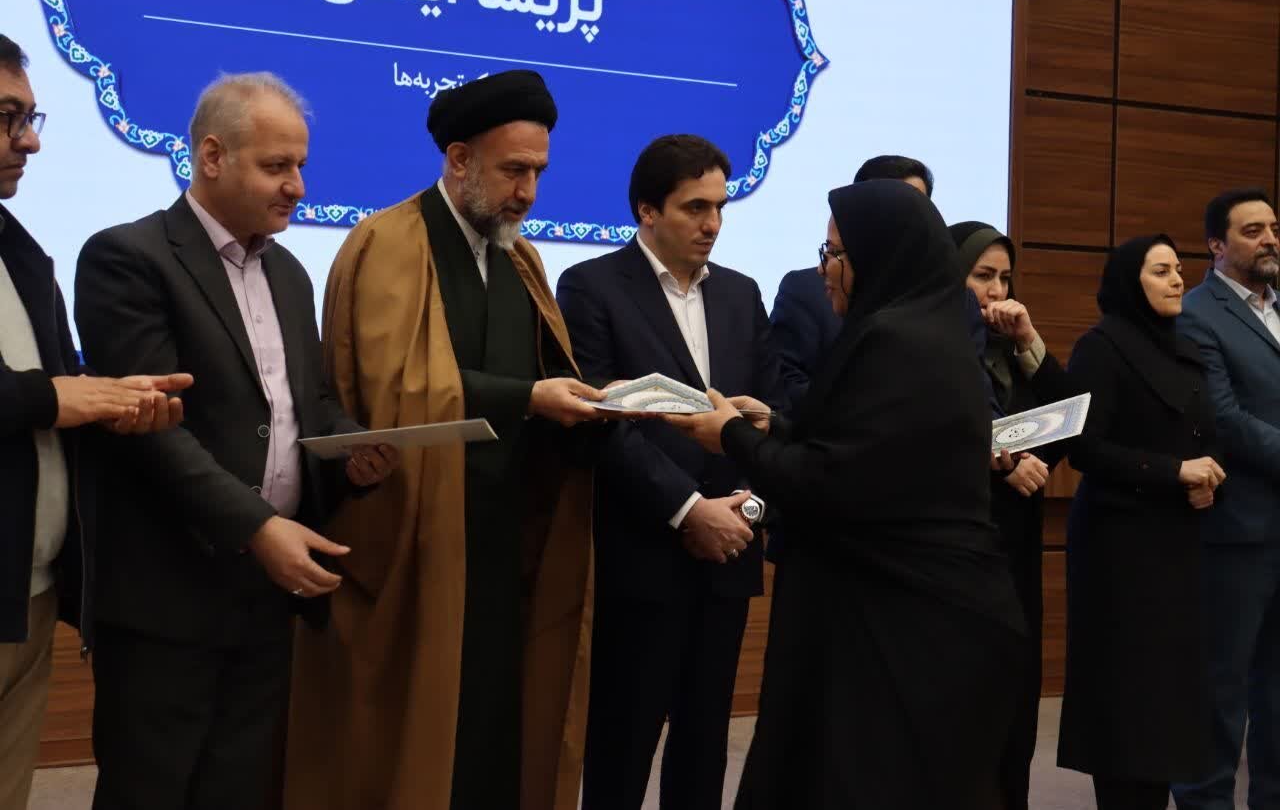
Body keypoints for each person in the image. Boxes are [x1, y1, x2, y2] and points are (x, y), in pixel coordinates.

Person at [73, 73, 397, 810]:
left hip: (267, 597)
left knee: (240, 789)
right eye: (277, 166)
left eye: (301, 165)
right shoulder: (128, 258)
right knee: (151, 791)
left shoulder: (289, 272)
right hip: (166, 598)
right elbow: (151, 430)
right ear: (212, 156)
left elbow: (306, 404)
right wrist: (257, 527)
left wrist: (353, 450)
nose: (298, 188)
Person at [285, 69, 606, 810]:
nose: (528, 192)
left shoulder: (520, 258)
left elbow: (545, 371)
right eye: (514, 170)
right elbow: (396, 393)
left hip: (503, 538)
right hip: (418, 538)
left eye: (538, 172)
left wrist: (595, 402)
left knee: (494, 732)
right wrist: (528, 398)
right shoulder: (388, 242)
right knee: (417, 741)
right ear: (460, 159)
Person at [667, 179, 1025, 809]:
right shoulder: (923, 332)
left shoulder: (897, 342)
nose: (823, 269)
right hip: (900, 614)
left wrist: (731, 437)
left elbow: (833, 482)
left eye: (835, 254)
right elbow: (871, 448)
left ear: (879, 257)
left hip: (900, 632)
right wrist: (774, 427)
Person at [557, 134, 788, 810]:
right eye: (695, 208)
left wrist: (748, 506)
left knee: (704, 743)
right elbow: (603, 422)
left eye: (719, 207)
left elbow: (770, 411)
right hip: (644, 553)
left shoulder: (742, 294)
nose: (712, 224)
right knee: (623, 746)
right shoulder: (592, 286)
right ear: (647, 210)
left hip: (730, 551)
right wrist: (689, 509)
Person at [0, 34, 193, 810]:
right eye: (8, 117)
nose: (31, 141)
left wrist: (112, 403)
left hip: (29, 597)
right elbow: (43, 396)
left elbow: (56, 397)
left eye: (30, 117)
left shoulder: (24, 253)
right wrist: (57, 398)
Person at [1056, 235, 1220, 810]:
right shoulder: (1101, 348)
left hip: (1176, 545)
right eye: (1161, 271)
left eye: (1178, 269)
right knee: (1126, 707)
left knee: (1165, 705)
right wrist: (1174, 471)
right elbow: (1083, 448)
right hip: (1118, 550)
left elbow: (1203, 435)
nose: (1178, 279)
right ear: (1131, 281)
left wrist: (1207, 478)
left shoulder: (1184, 348)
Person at [950, 219, 1078, 810]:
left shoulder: (1011, 351)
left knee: (1015, 714)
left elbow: (1071, 423)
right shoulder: (932, 349)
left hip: (1017, 551)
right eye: (983, 276)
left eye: (1005, 278)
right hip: (959, 552)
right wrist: (998, 464)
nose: (997, 292)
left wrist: (1029, 340)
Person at [1172, 189, 1280, 810]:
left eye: (1273, 228)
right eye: (1252, 230)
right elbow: (1223, 417)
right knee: (1221, 690)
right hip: (1237, 531)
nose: (1270, 239)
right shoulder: (1196, 314)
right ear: (1216, 245)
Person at [769, 155, 933, 403]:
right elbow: (785, 386)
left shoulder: (955, 300)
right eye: (896, 208)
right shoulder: (806, 291)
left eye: (919, 207)